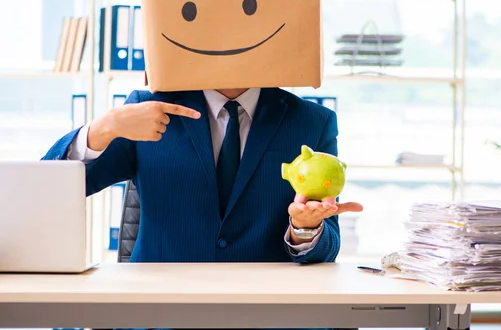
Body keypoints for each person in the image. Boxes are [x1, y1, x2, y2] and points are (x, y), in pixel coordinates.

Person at [42, 86, 363, 264]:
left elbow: (327, 246)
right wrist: (102, 129)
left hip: (267, 315)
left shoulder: (312, 121)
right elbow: (49, 188)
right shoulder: (148, 108)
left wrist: (305, 228)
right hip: (162, 313)